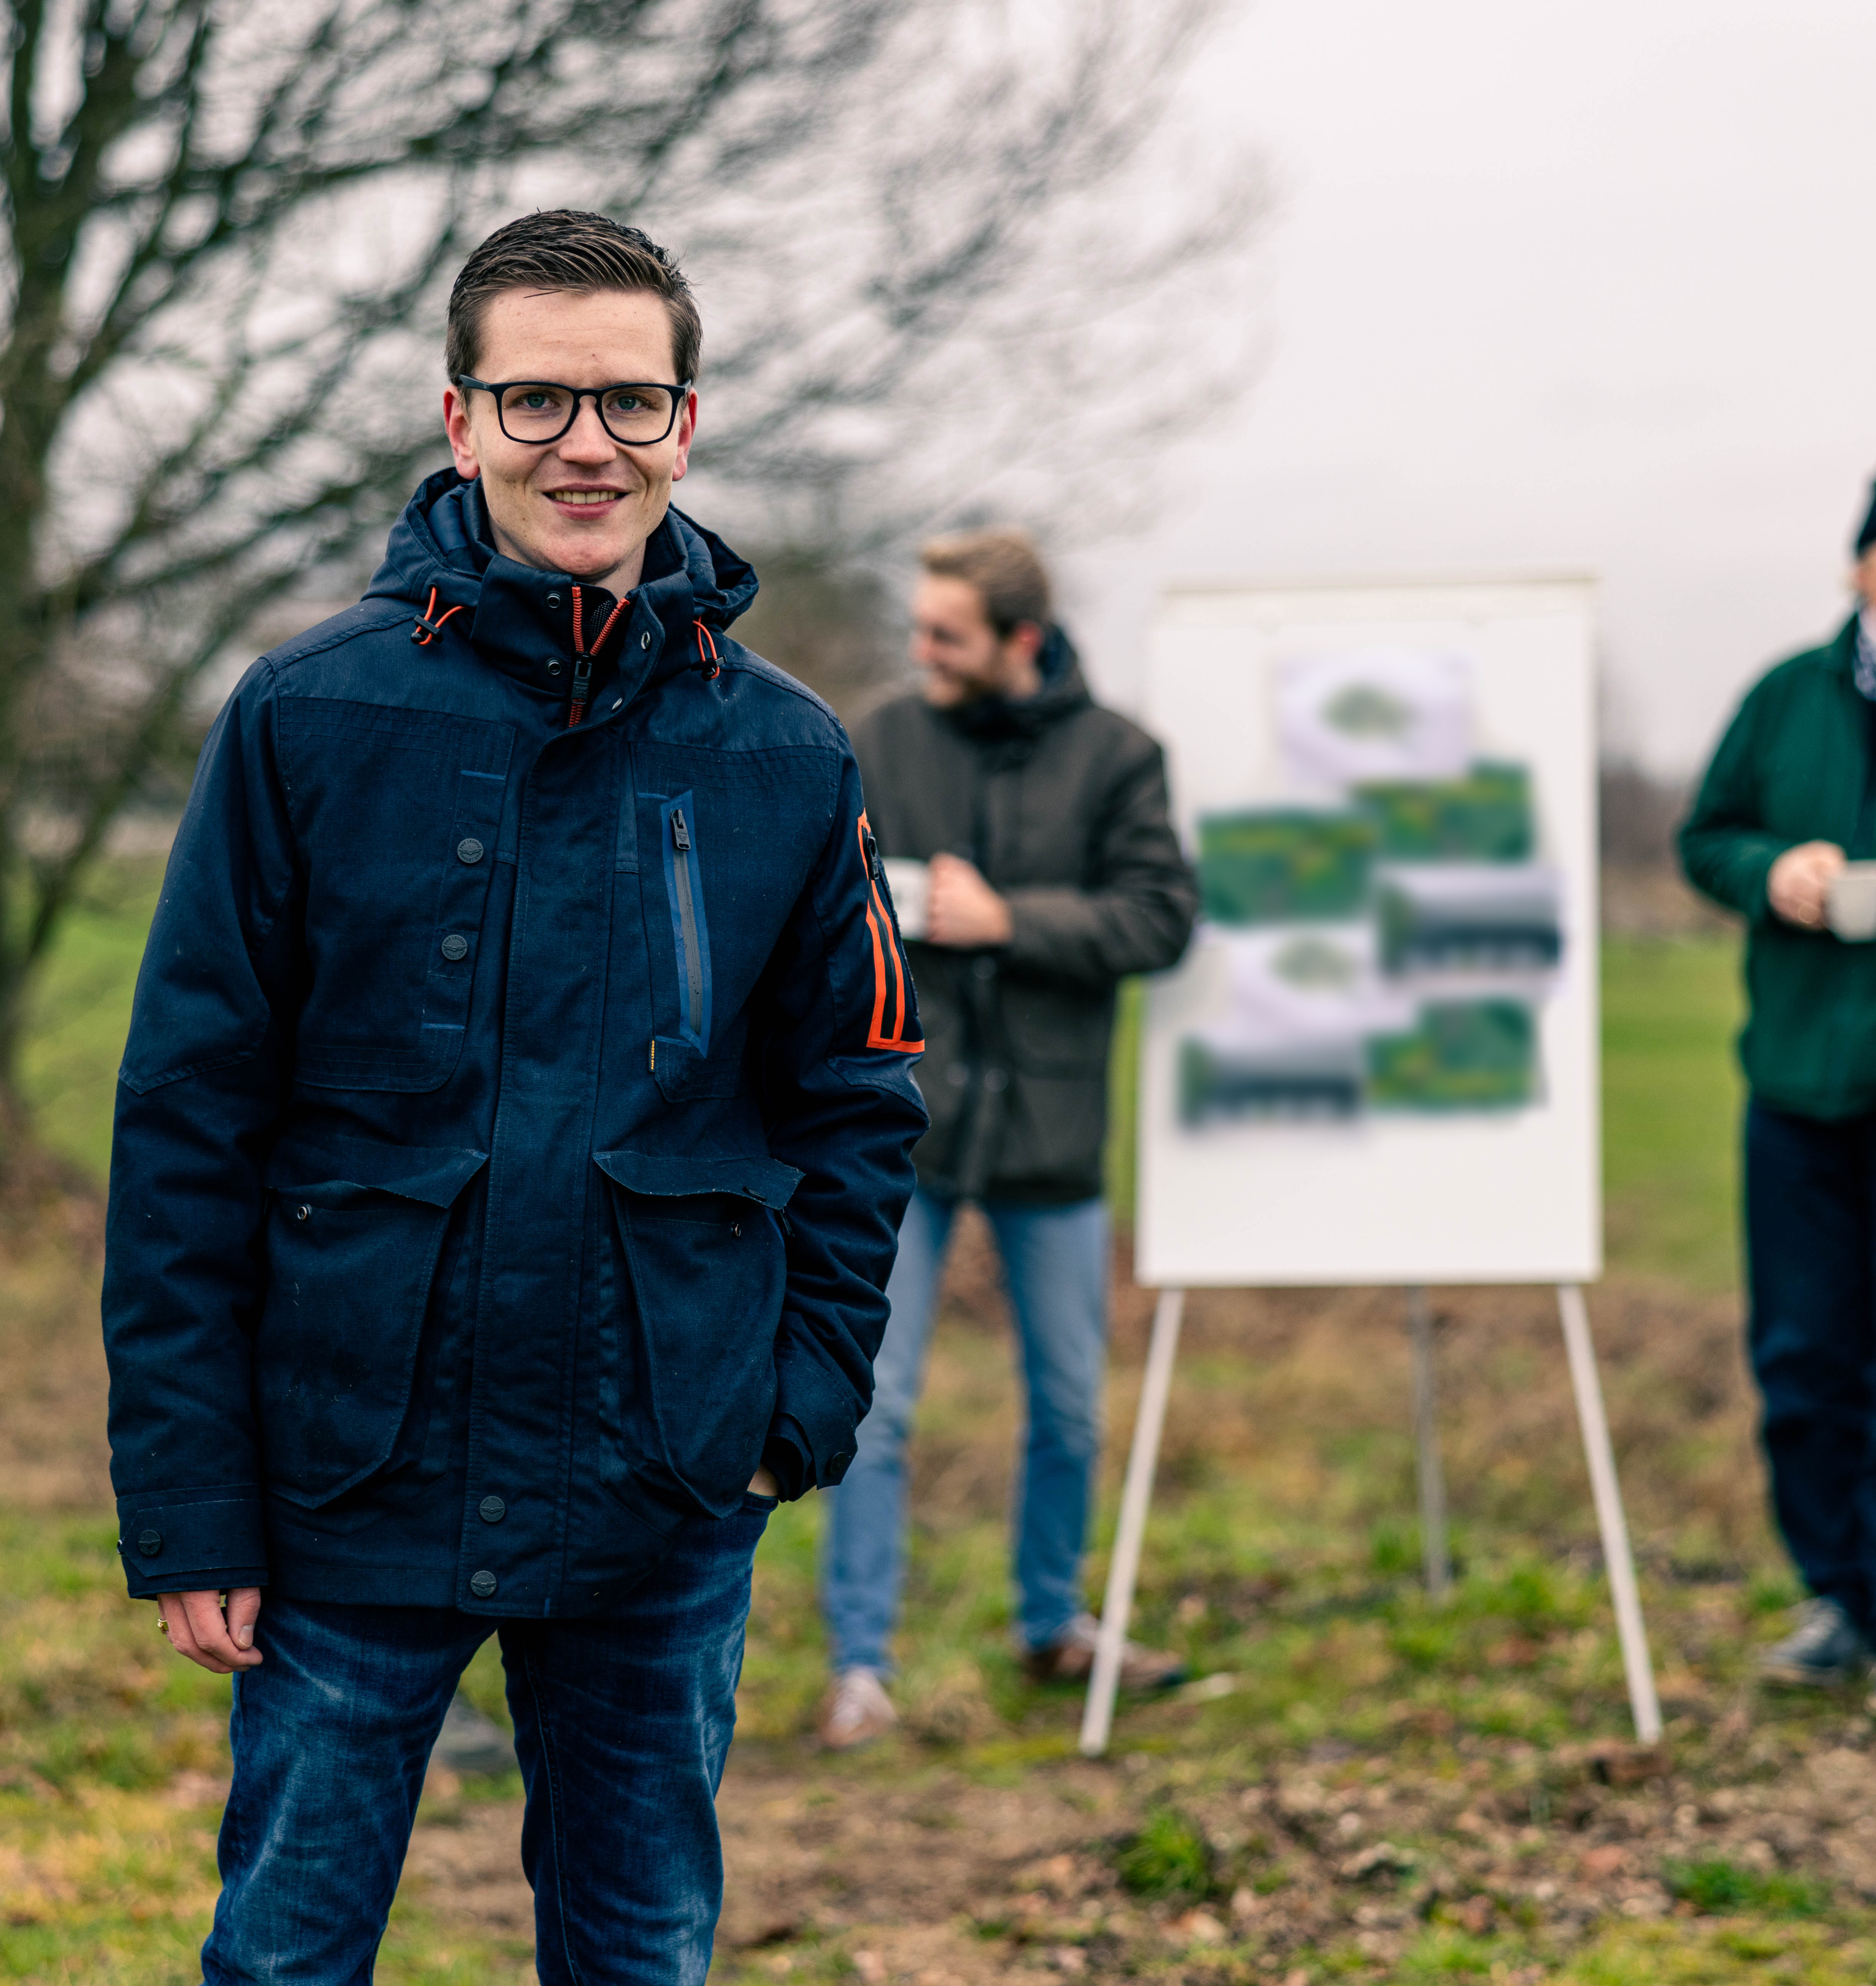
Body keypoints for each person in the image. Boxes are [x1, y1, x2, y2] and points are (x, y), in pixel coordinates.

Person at [101, 210, 926, 1981]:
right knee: (286, 1956)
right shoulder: (306, 718)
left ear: (685, 425)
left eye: (631, 401)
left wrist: (796, 1408)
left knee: (638, 1954)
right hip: (352, 1470)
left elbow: (857, 1102)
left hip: (666, 1476)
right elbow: (187, 1120)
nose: (586, 444)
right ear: (459, 419)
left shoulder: (786, 751)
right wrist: (192, 1499)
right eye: (536, 398)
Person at [815, 528, 1198, 1749]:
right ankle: (859, 1668)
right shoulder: (877, 740)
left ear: (1019, 643)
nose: (920, 651)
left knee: (1070, 1405)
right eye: (918, 626)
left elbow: (1158, 915)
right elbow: (818, 894)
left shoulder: (1121, 758)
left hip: (1052, 1133)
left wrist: (1006, 920)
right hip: (902, 1130)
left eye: (946, 634)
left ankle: (1052, 1626)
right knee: (872, 1406)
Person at [1679, 449, 1876, 1730]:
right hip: (1795, 1081)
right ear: (1858, 565)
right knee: (1803, 1352)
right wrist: (1770, 874)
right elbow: (1705, 835)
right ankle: (1835, 1598)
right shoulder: (1783, 698)